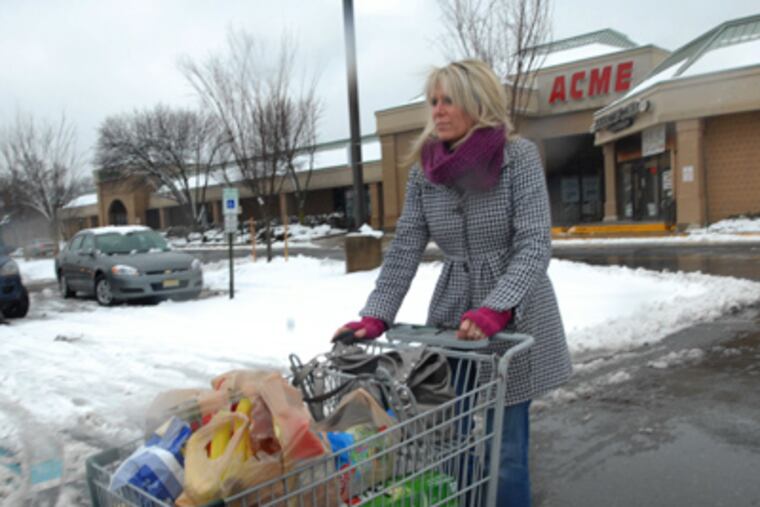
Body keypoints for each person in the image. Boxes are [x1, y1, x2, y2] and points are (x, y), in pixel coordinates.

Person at [334, 59, 572, 506]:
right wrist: (376, 314)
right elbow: (406, 246)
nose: (438, 111)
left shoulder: (517, 157)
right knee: (449, 434)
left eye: (449, 101)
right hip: (453, 319)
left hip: (513, 311)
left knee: (506, 446)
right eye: (434, 102)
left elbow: (534, 243)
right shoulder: (424, 173)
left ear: (477, 104)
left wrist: (497, 307)